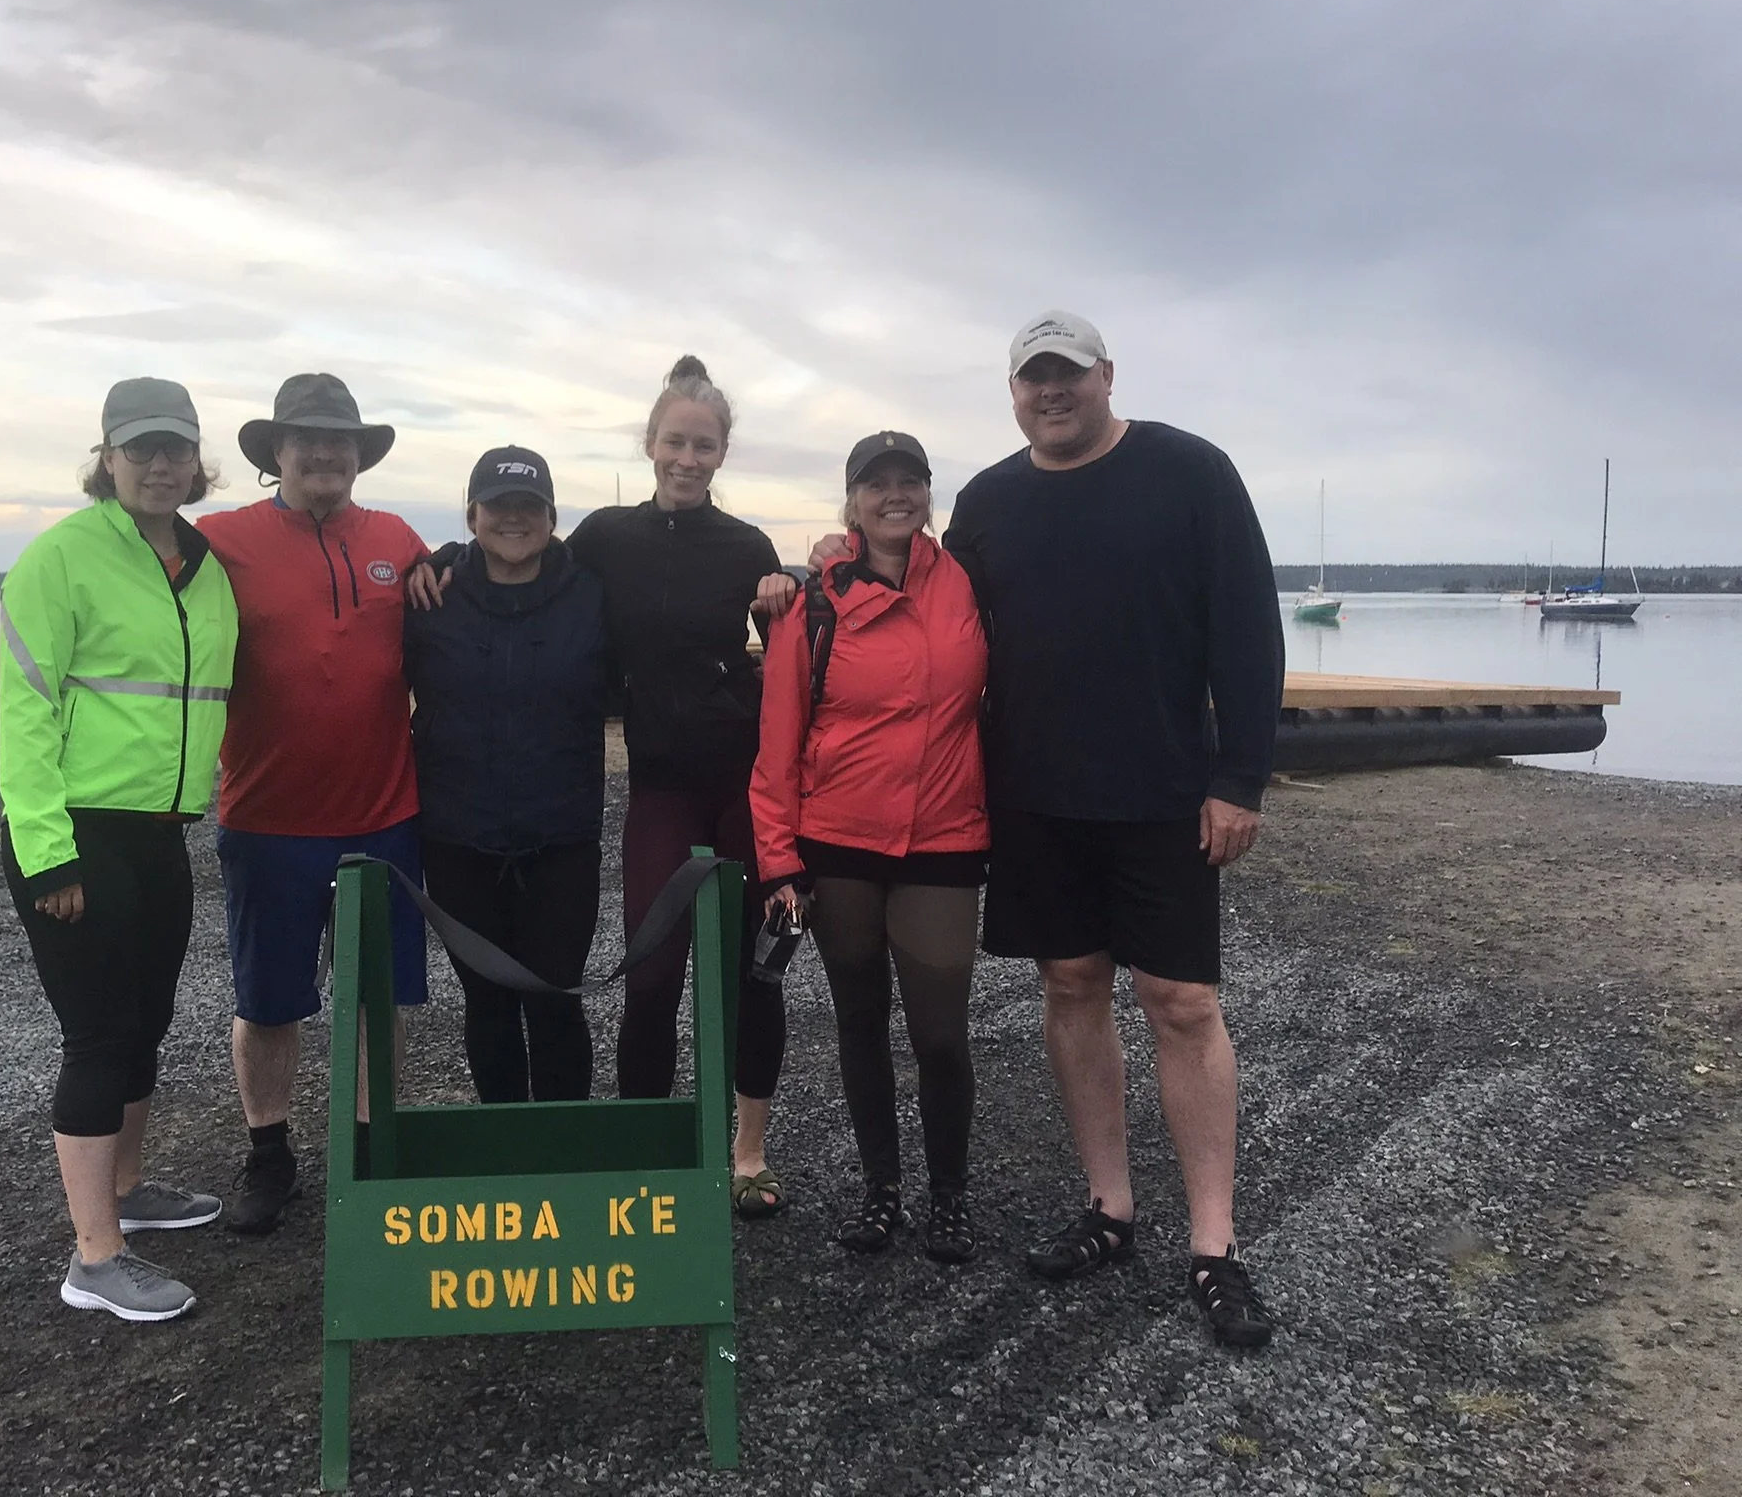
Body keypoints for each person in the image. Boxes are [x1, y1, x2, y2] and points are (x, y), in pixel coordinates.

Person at [781, 310, 1284, 1347]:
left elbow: (1247, 626)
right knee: (1069, 986)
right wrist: (823, 561)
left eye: (1067, 374)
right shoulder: (993, 501)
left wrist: (1239, 777)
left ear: (1105, 375)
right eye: (1031, 379)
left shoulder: (1191, 473)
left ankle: (1213, 1246)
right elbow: (913, 584)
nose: (1050, 392)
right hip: (1034, 801)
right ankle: (1108, 1211)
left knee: (1181, 1003)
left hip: (1161, 794)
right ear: (1012, 395)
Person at [408, 356, 788, 1217]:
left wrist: (800, 578)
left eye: (705, 444)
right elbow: (517, 556)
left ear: (722, 453)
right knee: (649, 978)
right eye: (674, 441)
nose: (687, 457)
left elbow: (790, 630)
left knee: (750, 978)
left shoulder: (750, 545)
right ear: (650, 445)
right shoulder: (605, 538)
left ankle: (748, 1154)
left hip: (743, 783)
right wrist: (444, 553)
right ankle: (644, 1156)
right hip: (658, 785)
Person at [0, 377, 239, 1321]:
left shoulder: (206, 567)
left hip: (162, 834)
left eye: (174, 447)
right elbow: (26, 714)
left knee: (146, 1024)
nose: (158, 463)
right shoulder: (61, 558)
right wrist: (47, 854)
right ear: (106, 456)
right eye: (139, 447)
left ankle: (129, 1196)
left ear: (196, 458)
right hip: (77, 835)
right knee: (99, 1037)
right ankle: (94, 1257)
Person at [195, 373, 430, 1236]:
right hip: (265, 818)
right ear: (276, 453)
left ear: (361, 454)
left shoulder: (401, 541)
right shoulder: (218, 542)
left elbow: (461, 602)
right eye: (306, 438)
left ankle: (370, 1149)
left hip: (386, 815)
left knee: (384, 998)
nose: (326, 452)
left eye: (341, 440)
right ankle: (270, 1154)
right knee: (268, 1002)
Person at [750, 431, 989, 1263]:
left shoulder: (968, 581)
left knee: (940, 1033)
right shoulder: (814, 601)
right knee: (859, 1022)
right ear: (851, 501)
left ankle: (950, 1196)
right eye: (876, 484)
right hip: (839, 843)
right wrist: (779, 861)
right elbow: (778, 742)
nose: (895, 496)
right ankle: (882, 1192)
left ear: (929, 493)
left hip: (943, 838)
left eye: (910, 481)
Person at [405, 446, 609, 1102]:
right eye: (499, 506)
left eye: (529, 506)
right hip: (460, 839)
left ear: (551, 517)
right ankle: (503, 1151)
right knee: (487, 1002)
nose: (513, 519)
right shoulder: (429, 597)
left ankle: (561, 1153)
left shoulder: (593, 595)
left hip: (561, 842)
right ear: (471, 515)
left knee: (555, 1001)